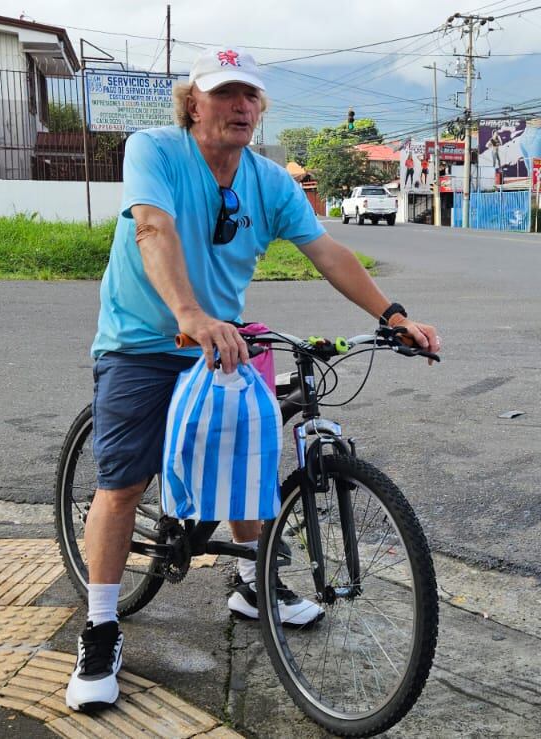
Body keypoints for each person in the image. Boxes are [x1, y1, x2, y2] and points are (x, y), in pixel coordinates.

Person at [67, 46, 441, 712]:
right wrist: (188, 314)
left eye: (251, 97)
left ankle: (249, 580)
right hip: (142, 340)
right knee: (122, 483)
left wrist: (393, 314)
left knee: (247, 455)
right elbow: (152, 228)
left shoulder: (269, 180)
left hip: (223, 340)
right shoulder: (153, 149)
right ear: (194, 104)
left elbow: (325, 248)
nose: (241, 107)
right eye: (225, 94)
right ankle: (100, 625)